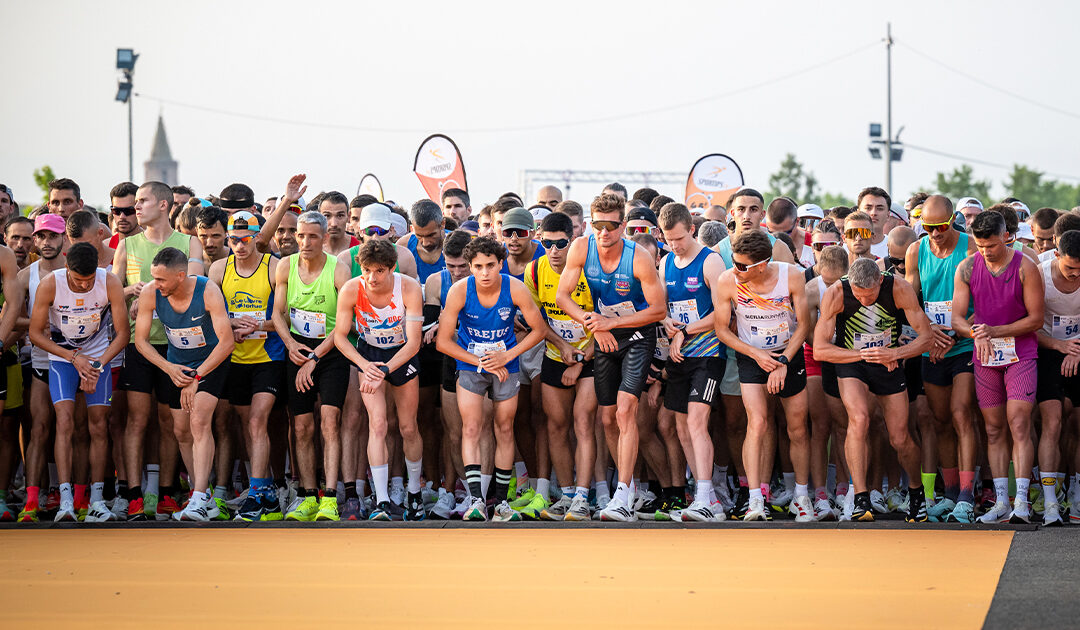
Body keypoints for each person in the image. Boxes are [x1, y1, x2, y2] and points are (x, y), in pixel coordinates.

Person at [556, 193, 667, 521]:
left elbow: (658, 309)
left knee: (625, 410)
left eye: (612, 226)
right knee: (605, 419)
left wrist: (612, 323)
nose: (605, 232)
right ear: (590, 223)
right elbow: (563, 296)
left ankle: (622, 491)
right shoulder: (581, 248)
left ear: (623, 226)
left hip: (636, 335)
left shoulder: (639, 258)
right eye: (598, 225)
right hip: (604, 335)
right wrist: (593, 323)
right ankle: (628, 490)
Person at [436, 236, 547, 522]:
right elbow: (443, 342)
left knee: (504, 427)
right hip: (472, 362)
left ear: (501, 264)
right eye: (478, 267)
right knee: (471, 427)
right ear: (470, 267)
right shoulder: (460, 290)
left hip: (505, 363)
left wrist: (508, 356)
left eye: (490, 266)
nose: (484, 273)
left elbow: (539, 329)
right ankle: (475, 500)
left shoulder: (515, 288)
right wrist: (481, 361)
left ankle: (499, 502)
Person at [814, 258, 934, 522]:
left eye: (870, 296)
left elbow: (926, 337)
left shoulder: (898, 288)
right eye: (859, 296)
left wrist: (895, 353)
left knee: (900, 437)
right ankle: (861, 497)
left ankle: (916, 493)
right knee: (858, 419)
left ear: (880, 280)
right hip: (852, 361)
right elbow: (820, 349)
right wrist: (862, 355)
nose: (865, 301)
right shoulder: (837, 292)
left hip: (888, 362)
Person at [112, 181, 204, 521]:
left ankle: (167, 493)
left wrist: (148, 292)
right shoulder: (127, 244)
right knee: (137, 420)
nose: (136, 207)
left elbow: (195, 283)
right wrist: (128, 290)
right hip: (141, 344)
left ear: (164, 205)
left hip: (178, 346)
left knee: (170, 422)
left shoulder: (189, 242)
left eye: (142, 200)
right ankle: (134, 495)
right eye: (135, 202)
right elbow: (112, 293)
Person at [713, 230, 812, 522]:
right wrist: (757, 356)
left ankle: (802, 496)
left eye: (743, 266)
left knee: (797, 427)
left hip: (787, 353)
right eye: (734, 262)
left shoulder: (791, 276)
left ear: (762, 264)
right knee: (756, 423)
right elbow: (721, 330)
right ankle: (756, 499)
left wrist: (783, 361)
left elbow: (804, 325)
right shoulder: (728, 280)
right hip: (752, 354)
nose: (736, 269)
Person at [953, 211, 1044, 524]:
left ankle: (1022, 500)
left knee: (1018, 422)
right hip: (987, 355)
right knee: (993, 428)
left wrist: (995, 330)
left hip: (1020, 351)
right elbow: (957, 318)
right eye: (980, 245)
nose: (986, 251)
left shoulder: (1026, 267)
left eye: (991, 245)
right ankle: (1000, 500)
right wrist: (974, 332)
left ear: (1007, 236)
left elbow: (1036, 319)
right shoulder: (966, 267)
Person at [134, 247, 234, 521]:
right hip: (177, 365)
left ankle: (199, 498)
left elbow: (227, 342)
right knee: (180, 430)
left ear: (181, 276)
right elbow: (141, 341)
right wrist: (169, 368)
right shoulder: (150, 293)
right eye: (154, 278)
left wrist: (197, 378)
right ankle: (202, 492)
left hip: (210, 361)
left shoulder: (207, 290)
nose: (156, 284)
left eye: (162, 280)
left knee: (199, 421)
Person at [334, 240, 426, 520]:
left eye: (379, 271)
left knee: (408, 426)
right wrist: (364, 365)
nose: (372, 277)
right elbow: (339, 336)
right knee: (377, 423)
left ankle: (413, 492)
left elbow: (414, 343)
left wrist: (385, 370)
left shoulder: (408, 287)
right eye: (366, 270)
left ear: (391, 268)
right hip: (370, 354)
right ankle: (382, 500)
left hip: (401, 355)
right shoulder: (352, 288)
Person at [904, 195, 980, 523]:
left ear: (953, 221)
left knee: (962, 413)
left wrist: (955, 334)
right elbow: (910, 300)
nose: (934, 233)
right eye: (928, 227)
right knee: (940, 420)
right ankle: (949, 494)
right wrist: (930, 332)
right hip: (931, 344)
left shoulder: (970, 247)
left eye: (941, 226)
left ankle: (967, 494)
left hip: (964, 344)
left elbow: (984, 298)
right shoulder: (916, 250)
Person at [271, 209, 351, 522]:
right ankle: (306, 495)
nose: (303, 242)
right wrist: (292, 347)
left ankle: (329, 497)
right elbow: (278, 314)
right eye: (299, 235)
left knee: (330, 421)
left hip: (330, 352)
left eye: (311, 236)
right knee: (301, 425)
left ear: (324, 238)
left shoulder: (338, 270)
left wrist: (316, 357)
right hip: (297, 349)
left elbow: (344, 325)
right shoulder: (285, 266)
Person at [656, 203, 734, 521]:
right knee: (680, 426)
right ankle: (705, 495)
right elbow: (663, 307)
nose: (674, 245)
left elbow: (723, 314)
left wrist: (685, 330)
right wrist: (669, 326)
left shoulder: (710, 261)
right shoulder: (665, 264)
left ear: (691, 228)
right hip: (678, 354)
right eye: (668, 240)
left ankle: (706, 495)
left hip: (707, 353)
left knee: (696, 422)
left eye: (679, 238)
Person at [208, 211, 287, 521]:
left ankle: (257, 492)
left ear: (257, 237)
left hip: (268, 357)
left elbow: (286, 316)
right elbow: (206, 313)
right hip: (236, 359)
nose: (239, 246)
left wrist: (256, 325)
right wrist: (231, 324)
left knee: (257, 421)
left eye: (245, 239)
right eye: (233, 239)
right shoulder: (218, 269)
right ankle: (265, 489)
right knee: (246, 426)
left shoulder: (274, 267)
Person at [525, 212, 596, 522]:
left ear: (574, 238)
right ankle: (566, 493)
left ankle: (583, 496)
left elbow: (610, 321)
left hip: (594, 353)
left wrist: (580, 361)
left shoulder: (589, 269)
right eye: (547, 243)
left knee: (582, 421)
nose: (554, 251)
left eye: (561, 244)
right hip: (556, 353)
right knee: (555, 425)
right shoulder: (535, 270)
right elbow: (536, 319)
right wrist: (564, 346)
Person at [7, 215, 66, 523]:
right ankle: (33, 499)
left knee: (74, 430)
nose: (45, 242)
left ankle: (69, 494)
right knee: (39, 429)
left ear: (64, 238)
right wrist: (41, 324)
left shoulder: (78, 269)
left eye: (52, 236)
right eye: (40, 237)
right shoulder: (26, 275)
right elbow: (11, 318)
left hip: (75, 361)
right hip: (42, 361)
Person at [423, 230, 475, 519]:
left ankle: (482, 492)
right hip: (449, 360)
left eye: (462, 267)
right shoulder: (435, 282)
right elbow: (428, 332)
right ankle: (457, 490)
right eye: (450, 266)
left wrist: (446, 328)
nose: (456, 273)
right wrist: (442, 327)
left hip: (482, 360)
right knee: (453, 432)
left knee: (480, 430)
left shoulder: (485, 280)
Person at [1034, 230, 1080, 526]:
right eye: (1070, 268)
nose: (1076, 274)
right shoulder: (1039, 275)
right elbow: (1028, 325)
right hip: (1048, 350)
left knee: (1077, 423)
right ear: (1057, 255)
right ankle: (1050, 500)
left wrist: (1077, 349)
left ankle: (1075, 494)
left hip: (1078, 351)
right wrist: (1059, 346)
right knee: (1051, 421)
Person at [766, 197, 815, 268]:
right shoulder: (761, 242)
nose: (778, 238)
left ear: (797, 222)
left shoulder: (815, 244)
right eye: (771, 232)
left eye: (786, 233)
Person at [855, 186, 892, 258]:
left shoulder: (894, 246)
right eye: (868, 208)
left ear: (888, 215)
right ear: (858, 213)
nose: (873, 213)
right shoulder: (845, 249)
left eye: (880, 209)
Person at [319, 191, 358, 256]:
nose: (334, 224)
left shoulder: (360, 248)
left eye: (340, 216)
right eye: (327, 216)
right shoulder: (310, 248)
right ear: (319, 216)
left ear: (348, 216)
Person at [107, 182, 142, 249]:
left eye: (128, 211)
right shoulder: (105, 247)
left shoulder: (155, 245)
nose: (122, 216)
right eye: (116, 211)